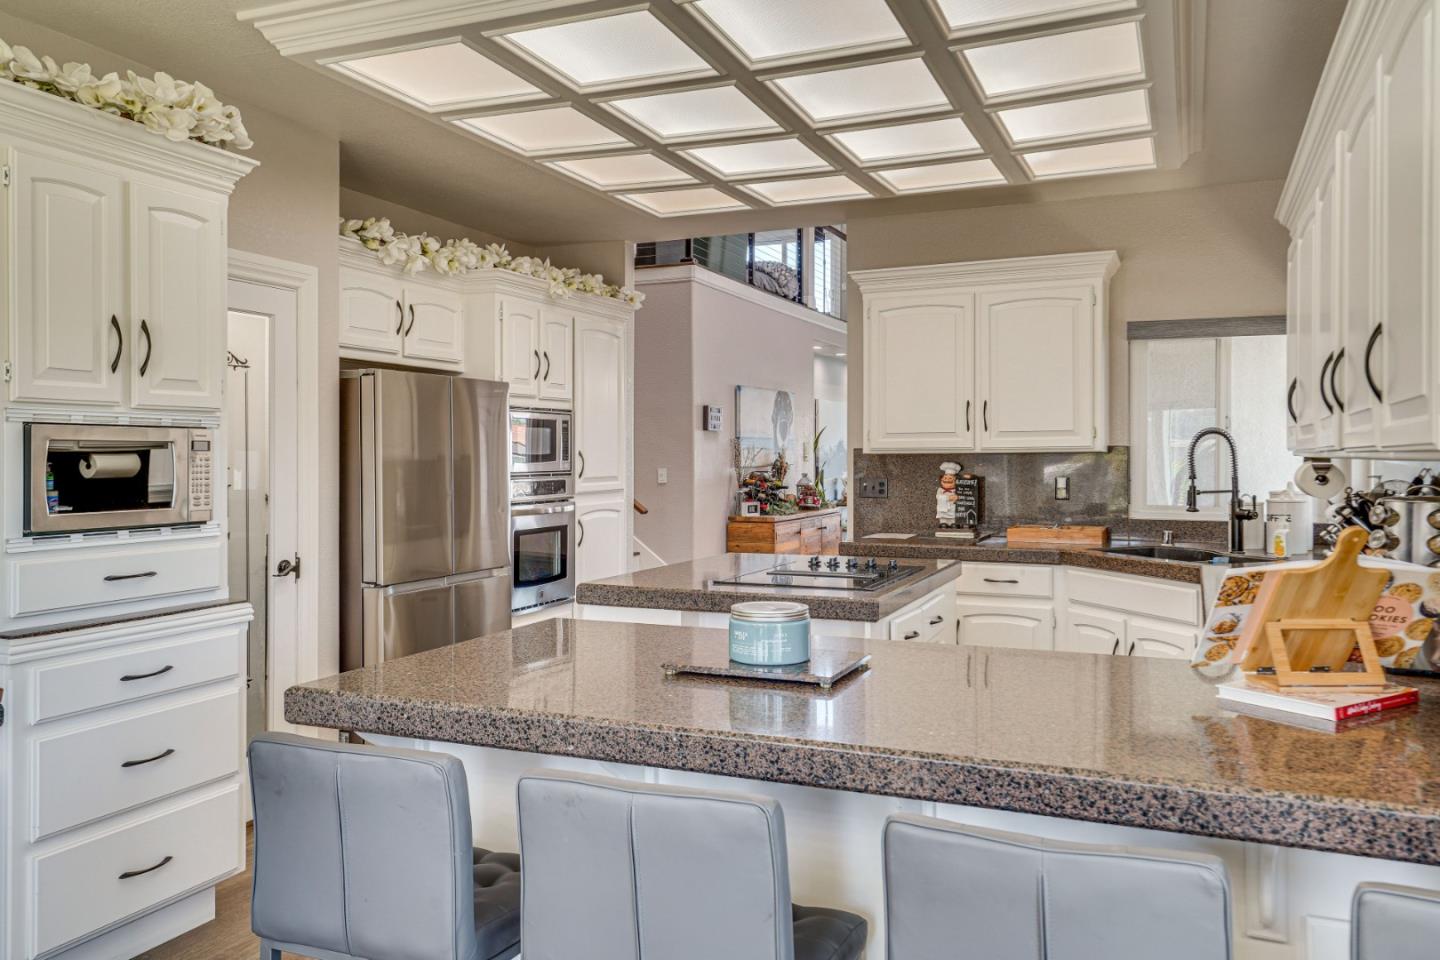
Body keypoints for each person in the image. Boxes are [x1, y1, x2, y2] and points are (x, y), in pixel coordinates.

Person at [936, 461, 963, 528]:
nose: (947, 480)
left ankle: (953, 523)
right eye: (945, 478)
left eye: (950, 478)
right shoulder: (940, 490)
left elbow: (959, 497)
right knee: (943, 515)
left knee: (953, 514)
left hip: (952, 506)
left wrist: (957, 497)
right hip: (942, 506)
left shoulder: (957, 490)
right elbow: (938, 496)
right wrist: (947, 498)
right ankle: (943, 523)